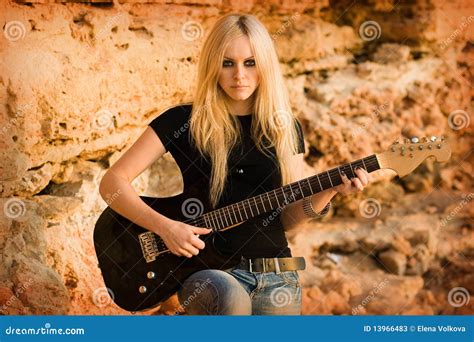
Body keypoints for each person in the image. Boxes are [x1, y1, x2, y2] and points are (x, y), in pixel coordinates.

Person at [99, 13, 370, 315]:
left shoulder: (284, 128)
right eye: (227, 63)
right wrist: (165, 228)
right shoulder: (183, 122)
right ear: (213, 65)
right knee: (230, 299)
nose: (239, 75)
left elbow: (287, 221)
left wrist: (329, 191)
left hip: (278, 276)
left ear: (265, 65)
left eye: (250, 62)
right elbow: (112, 182)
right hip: (212, 275)